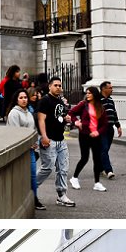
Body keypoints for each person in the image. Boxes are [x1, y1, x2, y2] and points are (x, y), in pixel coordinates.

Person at [33, 77, 75, 207]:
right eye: (55, 85)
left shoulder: (60, 101)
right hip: (49, 139)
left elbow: (59, 116)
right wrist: (44, 136)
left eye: (60, 85)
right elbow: (41, 120)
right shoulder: (45, 100)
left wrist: (66, 118)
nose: (58, 87)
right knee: (47, 167)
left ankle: (61, 195)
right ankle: (30, 188)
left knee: (63, 169)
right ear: (50, 86)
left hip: (60, 139)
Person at [7, 86, 38, 204]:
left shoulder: (28, 112)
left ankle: (34, 199)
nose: (24, 100)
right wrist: (27, 144)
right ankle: (32, 200)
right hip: (20, 150)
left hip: (30, 149)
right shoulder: (14, 113)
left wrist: (34, 142)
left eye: (25, 97)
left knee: (32, 175)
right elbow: (15, 132)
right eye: (21, 98)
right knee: (24, 176)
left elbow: (33, 129)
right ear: (16, 100)